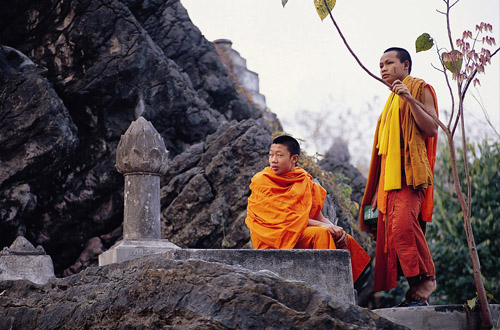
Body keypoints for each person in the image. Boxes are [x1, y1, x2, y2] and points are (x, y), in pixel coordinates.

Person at [359, 47, 439, 306]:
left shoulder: (419, 88)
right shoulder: (388, 105)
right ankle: (415, 288)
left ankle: (427, 279)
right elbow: (383, 153)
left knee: (404, 224)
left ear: (405, 65)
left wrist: (410, 100)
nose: (383, 68)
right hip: (389, 182)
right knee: (393, 235)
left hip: (411, 174)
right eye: (380, 64)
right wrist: (376, 192)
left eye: (389, 62)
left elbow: (431, 128)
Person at [245, 135, 370, 282]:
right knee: (321, 234)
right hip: (273, 237)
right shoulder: (262, 181)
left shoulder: (303, 180)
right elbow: (284, 219)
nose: (273, 160)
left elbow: (317, 215)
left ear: (294, 159)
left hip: (298, 233)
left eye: (279, 155)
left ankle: (342, 283)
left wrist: (335, 229)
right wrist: (324, 227)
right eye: (271, 155)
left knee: (344, 239)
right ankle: (327, 284)